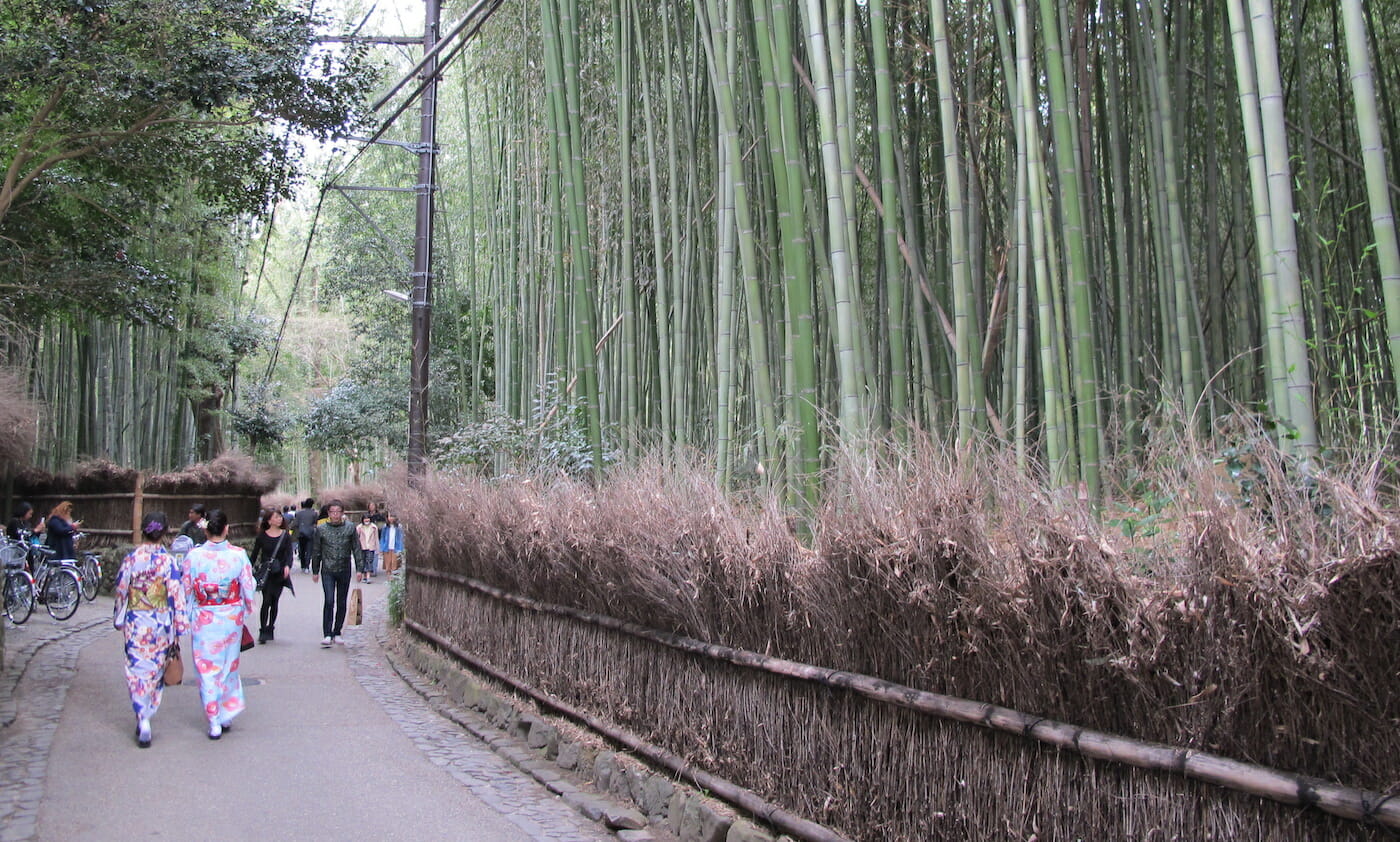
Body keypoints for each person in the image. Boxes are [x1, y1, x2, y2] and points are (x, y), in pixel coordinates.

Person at [112, 512, 189, 748]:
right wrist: (181, 624)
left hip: (137, 619)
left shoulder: (131, 559)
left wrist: (118, 617)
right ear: (164, 533)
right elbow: (176, 592)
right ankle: (148, 710)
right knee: (156, 668)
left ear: (143, 530)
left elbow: (121, 588)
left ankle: (141, 716)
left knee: (137, 667)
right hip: (161, 620)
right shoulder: (168, 562)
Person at [185, 509, 255, 740]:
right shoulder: (238, 555)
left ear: (205, 529)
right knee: (228, 665)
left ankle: (214, 718)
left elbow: (186, 589)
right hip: (231, 615)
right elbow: (247, 584)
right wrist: (248, 606)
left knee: (206, 667)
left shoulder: (194, 556)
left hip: (204, 615)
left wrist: (185, 614)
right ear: (227, 528)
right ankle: (226, 713)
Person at [312, 501, 355, 647]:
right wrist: (315, 570)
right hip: (328, 570)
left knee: (341, 601)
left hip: (344, 568)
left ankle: (337, 631)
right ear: (328, 513)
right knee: (329, 600)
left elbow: (356, 548)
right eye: (332, 512)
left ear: (342, 513)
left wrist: (361, 568)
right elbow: (316, 550)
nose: (335, 515)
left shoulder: (350, 528)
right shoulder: (321, 529)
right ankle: (327, 633)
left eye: (338, 511)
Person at [249, 509, 294, 644]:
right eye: (276, 517)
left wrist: (287, 566)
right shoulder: (262, 536)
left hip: (279, 572)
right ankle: (263, 630)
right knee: (266, 600)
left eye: (280, 516)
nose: (279, 518)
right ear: (269, 520)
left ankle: (271, 628)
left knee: (275, 601)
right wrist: (248, 568)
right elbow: (255, 554)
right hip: (266, 572)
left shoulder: (285, 536)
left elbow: (289, 553)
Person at [292, 498, 318, 573]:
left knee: (302, 550)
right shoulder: (314, 513)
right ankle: (307, 566)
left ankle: (303, 566)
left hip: (301, 533)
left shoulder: (299, 513)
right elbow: (315, 523)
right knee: (309, 550)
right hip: (310, 533)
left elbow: (295, 523)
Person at [355, 514, 379, 584]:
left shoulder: (374, 527)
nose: (366, 520)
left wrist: (378, 548)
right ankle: (364, 576)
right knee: (362, 561)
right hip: (362, 547)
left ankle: (368, 577)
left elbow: (376, 538)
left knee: (369, 561)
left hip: (371, 547)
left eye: (368, 519)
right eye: (365, 519)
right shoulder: (359, 527)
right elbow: (356, 538)